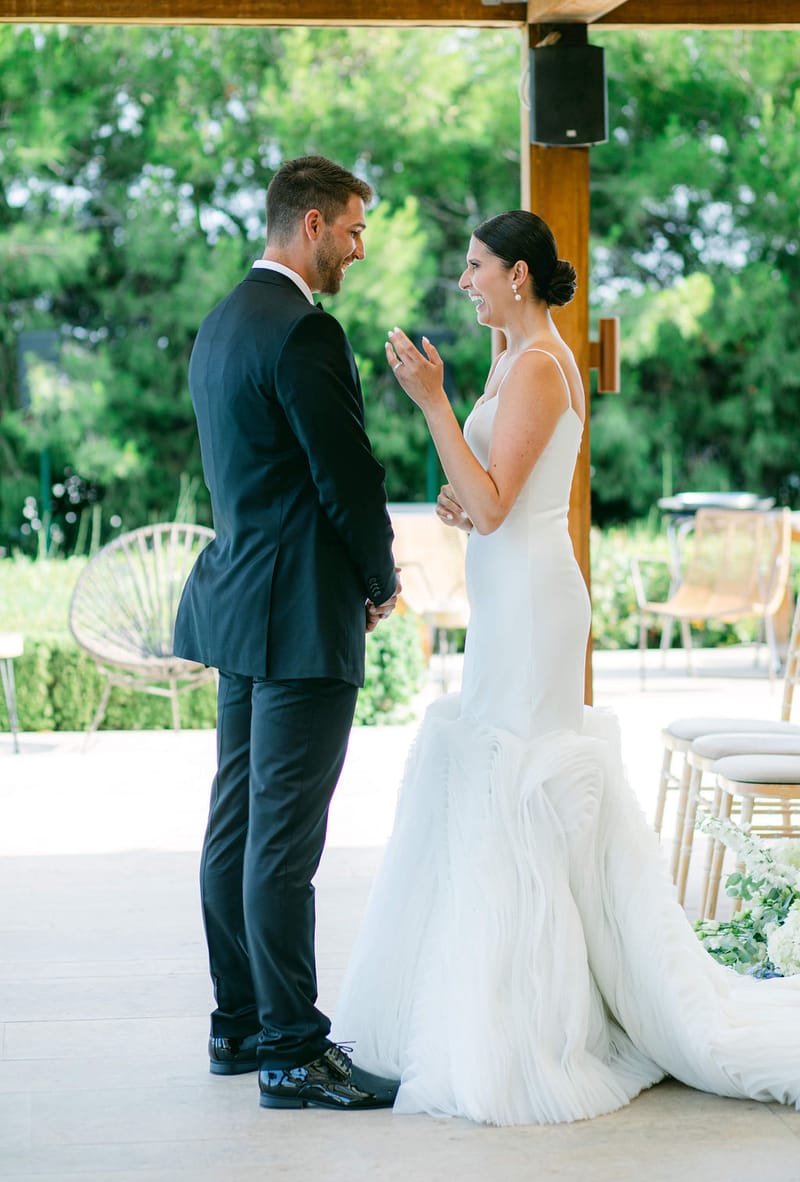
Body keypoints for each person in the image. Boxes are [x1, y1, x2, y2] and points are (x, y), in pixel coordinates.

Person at [332, 209, 800, 1125]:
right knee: (500, 782)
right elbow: (489, 493)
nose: (462, 281)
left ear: (517, 275)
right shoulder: (515, 359)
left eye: (474, 266)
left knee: (523, 788)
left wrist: (432, 402)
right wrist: (458, 498)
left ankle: (538, 1029)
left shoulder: (543, 365)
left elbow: (503, 506)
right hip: (509, 598)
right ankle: (508, 1005)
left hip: (536, 605)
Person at [174, 155, 402, 1112]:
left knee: (237, 824)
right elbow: (343, 475)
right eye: (352, 229)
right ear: (310, 225)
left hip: (238, 602)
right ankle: (294, 1052)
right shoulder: (307, 332)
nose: (357, 246)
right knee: (283, 842)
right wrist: (381, 577)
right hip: (301, 612)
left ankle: (238, 1025)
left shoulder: (221, 323)